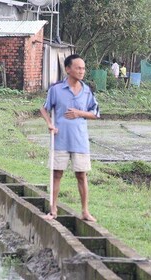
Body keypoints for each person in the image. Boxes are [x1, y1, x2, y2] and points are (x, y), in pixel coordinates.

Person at [40, 54, 100, 222]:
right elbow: (44, 109)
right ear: (68, 69)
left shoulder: (87, 90)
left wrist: (79, 113)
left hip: (80, 140)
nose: (81, 71)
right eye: (78, 68)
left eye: (83, 68)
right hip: (60, 139)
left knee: (82, 175)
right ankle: (53, 209)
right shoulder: (56, 89)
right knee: (57, 174)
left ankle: (85, 211)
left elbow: (96, 113)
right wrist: (50, 123)